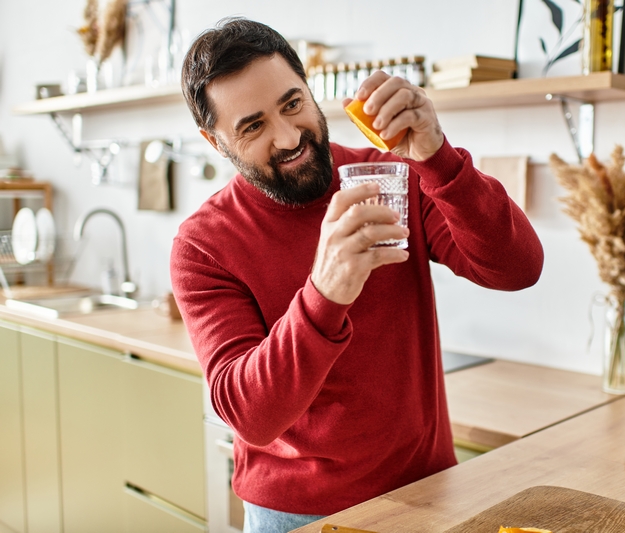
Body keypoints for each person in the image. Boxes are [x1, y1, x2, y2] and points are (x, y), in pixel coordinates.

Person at [171, 17, 544, 533]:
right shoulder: (204, 245)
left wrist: (438, 158)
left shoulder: (390, 176)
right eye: (252, 126)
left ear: (309, 90)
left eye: (292, 104)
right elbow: (250, 415)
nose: (287, 137)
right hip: (296, 515)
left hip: (428, 492)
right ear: (216, 143)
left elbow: (517, 268)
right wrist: (324, 293)